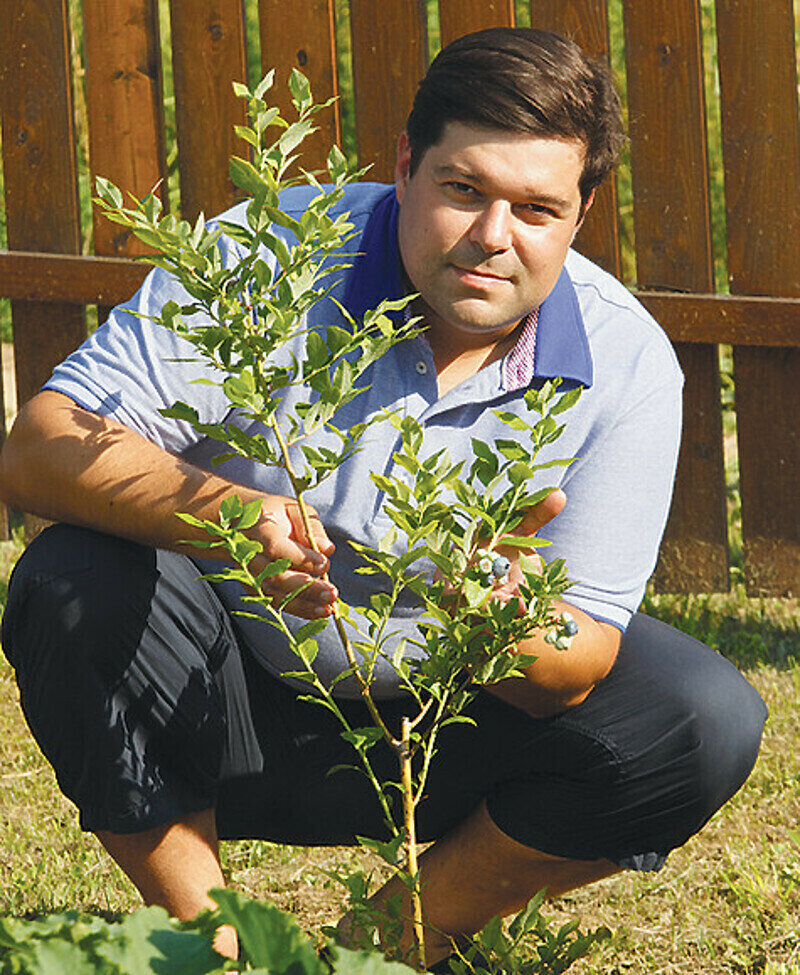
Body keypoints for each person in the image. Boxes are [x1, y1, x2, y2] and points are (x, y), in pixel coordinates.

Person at [0, 27, 766, 967]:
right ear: (406, 166)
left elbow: (580, 662)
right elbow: (39, 450)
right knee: (71, 579)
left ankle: (389, 946)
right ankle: (226, 948)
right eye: (464, 189)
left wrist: (492, 611)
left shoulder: (629, 362)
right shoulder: (270, 259)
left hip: (454, 737)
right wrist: (232, 513)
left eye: (536, 207)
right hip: (230, 710)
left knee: (703, 713)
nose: (494, 237)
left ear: (583, 212)